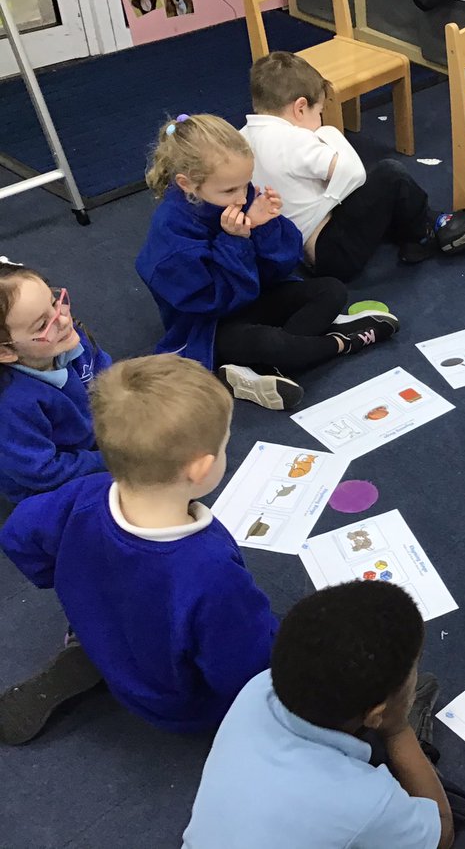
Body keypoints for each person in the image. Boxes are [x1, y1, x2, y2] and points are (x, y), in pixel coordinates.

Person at [0, 355, 277, 744]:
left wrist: (68, 579)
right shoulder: (211, 573)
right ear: (200, 469)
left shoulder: (83, 494)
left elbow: (17, 534)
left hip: (107, 639)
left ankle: (93, 647)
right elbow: (240, 672)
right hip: (182, 706)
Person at [183, 580, 465, 849]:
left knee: (370, 748)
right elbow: (443, 835)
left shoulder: (258, 689)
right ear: (378, 712)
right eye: (414, 668)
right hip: (354, 794)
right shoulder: (364, 802)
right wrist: (397, 728)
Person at [136, 113, 398, 411]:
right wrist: (235, 241)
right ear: (187, 184)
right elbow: (213, 302)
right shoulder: (171, 237)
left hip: (256, 297)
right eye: (230, 190)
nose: (241, 196)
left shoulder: (239, 193)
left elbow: (286, 263)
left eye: (246, 184)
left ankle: (264, 369)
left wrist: (266, 226)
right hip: (212, 325)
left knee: (331, 290)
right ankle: (343, 342)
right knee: (270, 343)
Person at [240, 51, 465, 282]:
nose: (319, 119)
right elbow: (354, 173)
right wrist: (329, 132)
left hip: (296, 251)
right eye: (318, 111)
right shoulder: (293, 140)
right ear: (299, 108)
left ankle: (429, 224)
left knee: (372, 195)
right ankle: (425, 233)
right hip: (331, 251)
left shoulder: (241, 139)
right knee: (390, 175)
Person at [0, 259, 111, 507]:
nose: (62, 319)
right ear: (5, 353)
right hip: (47, 483)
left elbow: (109, 380)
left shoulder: (69, 339)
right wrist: (112, 459)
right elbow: (42, 472)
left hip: (90, 444)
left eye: (54, 302)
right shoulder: (12, 405)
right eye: (42, 324)